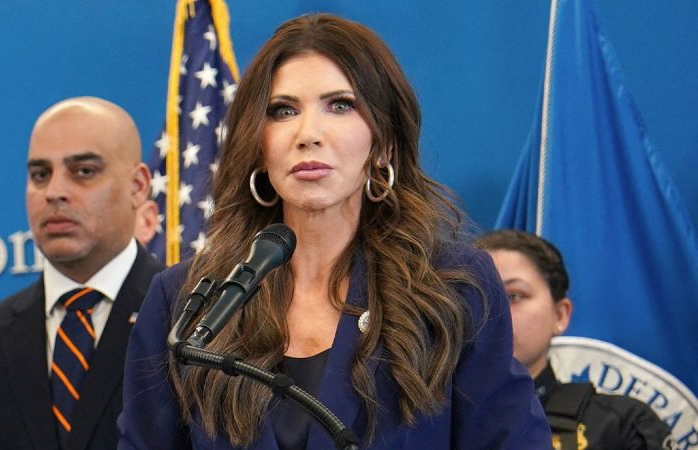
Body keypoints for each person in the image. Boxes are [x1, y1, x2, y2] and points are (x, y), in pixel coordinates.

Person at [118, 13, 551, 449]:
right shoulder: (183, 301)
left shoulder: (454, 287)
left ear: (384, 142)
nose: (308, 134)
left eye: (340, 105)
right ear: (258, 144)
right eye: (283, 111)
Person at [0, 97, 164, 450]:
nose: (54, 192)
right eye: (40, 175)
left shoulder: (197, 321)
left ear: (138, 186)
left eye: (84, 171)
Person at [475, 229, 678, 450]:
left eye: (513, 296)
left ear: (559, 315)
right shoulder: (446, 420)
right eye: (478, 297)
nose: (495, 313)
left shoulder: (622, 426)